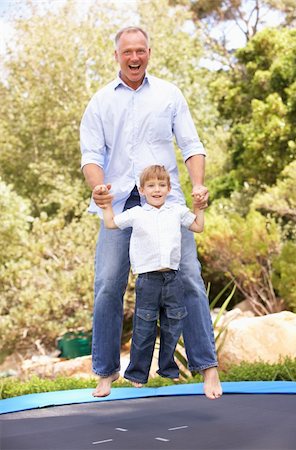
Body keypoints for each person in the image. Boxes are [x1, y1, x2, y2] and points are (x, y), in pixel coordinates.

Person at [80, 25, 222, 399]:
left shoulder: (169, 95)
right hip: (121, 201)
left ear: (148, 52)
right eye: (127, 52)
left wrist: (197, 185)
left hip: (166, 201)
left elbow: (192, 144)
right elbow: (91, 157)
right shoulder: (100, 102)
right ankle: (106, 372)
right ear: (116, 56)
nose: (134, 57)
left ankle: (207, 367)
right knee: (109, 284)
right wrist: (98, 188)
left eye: (140, 51)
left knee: (189, 277)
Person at [97, 165, 205, 387]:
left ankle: (167, 366)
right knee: (144, 327)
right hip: (148, 281)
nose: (157, 190)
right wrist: (107, 205)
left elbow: (198, 226)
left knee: (173, 325)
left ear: (169, 188)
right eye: (151, 186)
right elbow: (110, 223)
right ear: (142, 189)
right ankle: (137, 372)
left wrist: (198, 207)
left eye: (162, 185)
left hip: (172, 278)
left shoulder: (176, 210)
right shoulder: (136, 213)